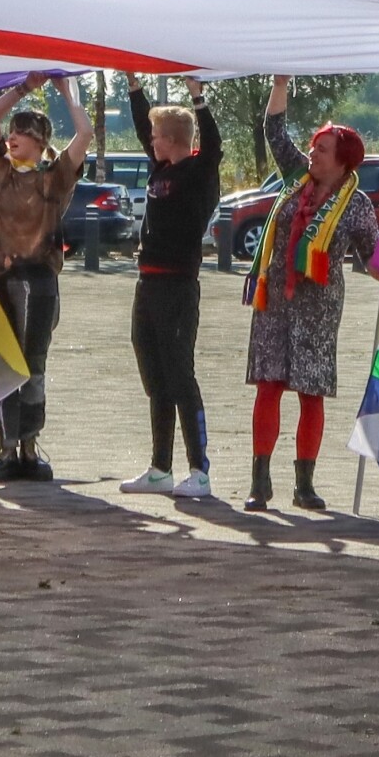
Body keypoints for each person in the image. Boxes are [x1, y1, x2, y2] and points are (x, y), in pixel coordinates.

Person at [240, 78, 375, 513]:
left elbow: (373, 257)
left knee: (310, 393)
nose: (312, 153)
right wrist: (281, 82)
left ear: (343, 161)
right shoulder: (297, 178)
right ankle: (259, 483)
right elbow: (274, 131)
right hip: (275, 300)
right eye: (314, 146)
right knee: (268, 388)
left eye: (321, 149)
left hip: (318, 309)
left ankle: (305, 484)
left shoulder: (357, 205)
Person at [0, 75, 89, 482]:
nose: (12, 137)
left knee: (33, 365)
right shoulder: (0, 173)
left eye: (23, 132)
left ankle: (29, 447)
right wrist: (24, 86)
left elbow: (85, 133)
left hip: (39, 282)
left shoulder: (54, 179)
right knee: (5, 360)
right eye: (13, 131)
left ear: (40, 141)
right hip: (2, 280)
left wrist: (65, 90)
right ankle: (5, 447)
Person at [120, 79, 225, 499]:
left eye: (158, 136)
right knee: (155, 377)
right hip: (148, 283)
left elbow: (213, 143)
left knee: (181, 376)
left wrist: (198, 98)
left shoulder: (198, 170)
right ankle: (160, 468)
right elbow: (142, 121)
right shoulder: (161, 167)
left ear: (175, 140)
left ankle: (199, 470)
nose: (151, 141)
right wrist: (131, 84)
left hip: (178, 287)